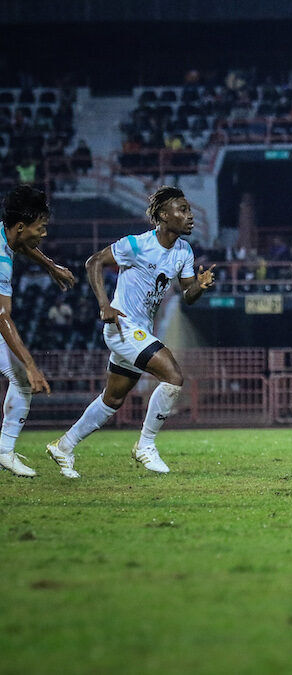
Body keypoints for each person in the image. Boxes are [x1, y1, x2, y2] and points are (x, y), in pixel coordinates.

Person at [45, 186, 214, 477]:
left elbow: (187, 295)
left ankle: (64, 446)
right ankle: (145, 445)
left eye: (189, 210)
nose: (190, 216)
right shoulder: (136, 245)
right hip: (122, 327)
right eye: (183, 210)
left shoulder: (184, 251)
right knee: (173, 376)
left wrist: (199, 286)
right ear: (163, 215)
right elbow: (93, 262)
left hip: (140, 332)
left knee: (112, 399)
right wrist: (104, 305)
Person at [0, 185, 76, 477]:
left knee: (19, 382)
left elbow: (22, 246)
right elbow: (3, 317)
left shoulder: (8, 235)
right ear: (21, 226)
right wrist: (32, 366)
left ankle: (5, 452)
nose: (44, 234)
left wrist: (50, 266)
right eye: (40, 228)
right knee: (23, 375)